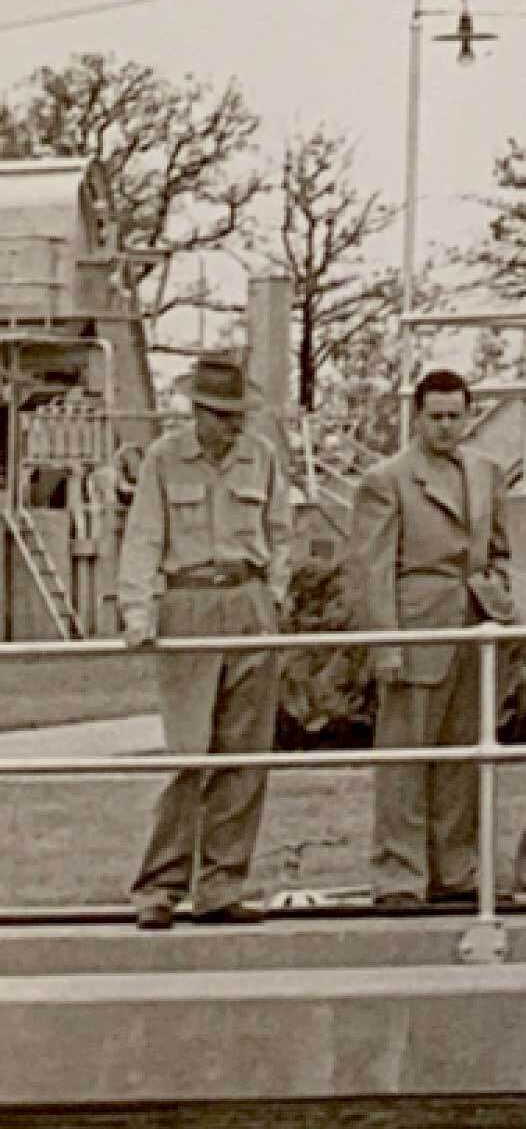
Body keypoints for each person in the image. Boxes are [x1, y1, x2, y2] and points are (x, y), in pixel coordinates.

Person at [120, 356, 292, 930]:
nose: (232, 427)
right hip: (189, 604)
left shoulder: (262, 458)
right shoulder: (163, 460)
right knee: (190, 754)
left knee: (244, 755)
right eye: (221, 416)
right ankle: (160, 888)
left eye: (238, 415)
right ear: (196, 413)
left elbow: (281, 533)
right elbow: (143, 537)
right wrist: (138, 612)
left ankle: (221, 886)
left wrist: (274, 597)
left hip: (248, 601)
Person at [351, 369, 514, 908]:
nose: (446, 426)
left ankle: (457, 869)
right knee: (404, 759)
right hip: (416, 626)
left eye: (456, 415)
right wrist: (385, 643)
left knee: (464, 755)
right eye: (436, 416)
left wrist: (498, 600)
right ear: (417, 417)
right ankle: (399, 875)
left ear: (470, 415)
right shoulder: (387, 479)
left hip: (474, 627)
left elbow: (499, 549)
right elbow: (371, 569)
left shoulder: (488, 472)